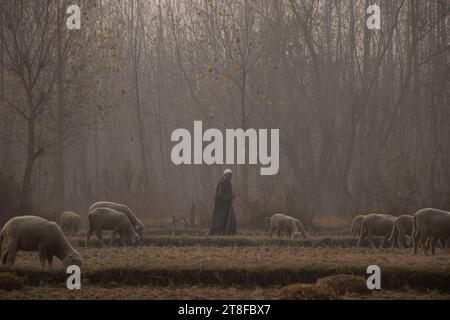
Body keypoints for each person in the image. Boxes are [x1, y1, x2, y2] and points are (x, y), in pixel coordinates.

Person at [209, 169, 237, 236]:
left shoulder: (229, 183)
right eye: (228, 175)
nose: (229, 177)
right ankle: (217, 233)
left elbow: (229, 194)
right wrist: (230, 196)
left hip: (228, 205)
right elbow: (220, 195)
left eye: (230, 175)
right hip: (221, 207)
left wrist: (232, 196)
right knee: (219, 221)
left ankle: (229, 233)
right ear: (225, 175)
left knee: (231, 220)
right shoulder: (221, 183)